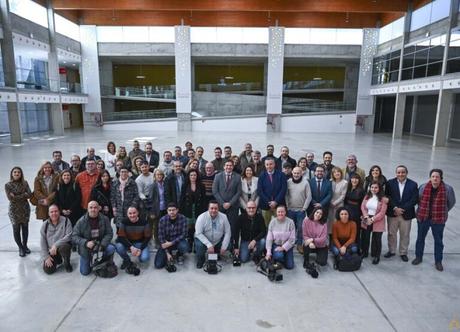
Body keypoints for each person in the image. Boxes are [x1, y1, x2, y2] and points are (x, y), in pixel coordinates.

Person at [413, 169, 456, 271]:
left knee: (438, 241)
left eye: (437, 177)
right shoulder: (423, 187)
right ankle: (418, 257)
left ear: (441, 178)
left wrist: (442, 211)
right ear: (430, 178)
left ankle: (438, 261)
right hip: (424, 218)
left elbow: (451, 202)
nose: (435, 178)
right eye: (433, 176)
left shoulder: (448, 189)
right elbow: (419, 200)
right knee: (420, 239)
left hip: (438, 219)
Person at [384, 165, 418, 262]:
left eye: (403, 172)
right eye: (398, 172)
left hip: (406, 214)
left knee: (405, 234)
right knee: (391, 233)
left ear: (406, 173)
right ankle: (391, 251)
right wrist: (395, 208)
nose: (401, 174)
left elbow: (414, 199)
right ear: (396, 173)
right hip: (393, 213)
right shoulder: (390, 183)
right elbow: (388, 197)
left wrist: (402, 209)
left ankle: (403, 252)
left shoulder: (413, 184)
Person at [72, 201, 116, 276]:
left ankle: (102, 261)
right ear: (87, 209)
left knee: (111, 248)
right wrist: (85, 243)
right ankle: (88, 259)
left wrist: (102, 244)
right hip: (86, 247)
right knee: (85, 272)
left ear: (99, 208)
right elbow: (74, 236)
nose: (93, 209)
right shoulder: (81, 221)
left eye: (95, 207)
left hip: (100, 244)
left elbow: (109, 233)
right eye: (91, 207)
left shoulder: (105, 219)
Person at [194, 200, 232, 269]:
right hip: (204, 241)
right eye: (211, 208)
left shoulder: (224, 217)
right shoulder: (201, 217)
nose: (214, 210)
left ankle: (217, 253)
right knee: (199, 246)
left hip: (217, 240)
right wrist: (209, 245)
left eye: (216, 208)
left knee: (228, 245)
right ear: (208, 208)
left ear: (218, 209)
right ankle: (201, 258)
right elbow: (198, 233)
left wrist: (224, 246)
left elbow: (228, 232)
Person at [5, 167, 32, 257]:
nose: (17, 174)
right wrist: (23, 195)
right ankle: (20, 247)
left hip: (25, 209)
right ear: (12, 174)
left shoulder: (25, 183)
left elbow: (29, 194)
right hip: (14, 210)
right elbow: (10, 198)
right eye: (15, 172)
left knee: (25, 228)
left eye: (18, 172)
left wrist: (16, 195)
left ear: (21, 174)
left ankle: (25, 245)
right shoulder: (8, 185)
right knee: (16, 229)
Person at [115, 207, 152, 271]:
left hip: (139, 243)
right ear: (127, 214)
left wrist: (140, 249)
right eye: (130, 213)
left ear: (138, 213)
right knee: (118, 246)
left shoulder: (144, 222)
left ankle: (139, 255)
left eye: (134, 213)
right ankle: (127, 260)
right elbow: (121, 237)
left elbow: (148, 237)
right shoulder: (124, 222)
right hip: (128, 243)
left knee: (144, 258)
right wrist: (131, 247)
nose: (132, 215)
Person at [154, 203, 189, 269]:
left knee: (185, 247)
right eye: (169, 210)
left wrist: (171, 243)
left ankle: (179, 254)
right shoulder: (162, 220)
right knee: (158, 265)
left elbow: (184, 234)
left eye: (173, 210)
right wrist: (167, 253)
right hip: (166, 243)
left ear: (177, 210)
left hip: (178, 242)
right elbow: (161, 237)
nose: (171, 212)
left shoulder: (183, 218)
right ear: (167, 211)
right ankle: (169, 253)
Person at [361, 182, 388, 264]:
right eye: (372, 187)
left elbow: (382, 212)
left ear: (379, 189)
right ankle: (364, 253)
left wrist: (372, 219)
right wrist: (366, 217)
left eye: (376, 187)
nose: (373, 189)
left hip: (377, 220)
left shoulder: (383, 199)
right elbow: (362, 207)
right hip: (367, 218)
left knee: (377, 239)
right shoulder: (367, 196)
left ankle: (376, 256)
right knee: (365, 237)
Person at [40, 205, 73, 274]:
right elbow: (42, 241)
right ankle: (58, 260)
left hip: (62, 247)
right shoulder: (45, 224)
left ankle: (67, 263)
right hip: (51, 251)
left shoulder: (66, 221)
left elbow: (69, 236)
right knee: (48, 270)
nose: (54, 213)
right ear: (48, 213)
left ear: (59, 212)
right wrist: (46, 256)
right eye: (51, 212)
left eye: (56, 211)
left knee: (65, 247)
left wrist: (55, 245)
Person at [286, 166, 311, 252]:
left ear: (301, 173)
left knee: (300, 228)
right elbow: (286, 195)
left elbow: (309, 196)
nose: (296, 175)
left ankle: (299, 244)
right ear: (292, 173)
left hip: (301, 210)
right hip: (290, 210)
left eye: (298, 173)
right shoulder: (288, 182)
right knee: (290, 229)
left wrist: (304, 208)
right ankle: (290, 243)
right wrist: (287, 206)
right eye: (295, 173)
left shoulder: (305, 183)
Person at [180, 169, 207, 249]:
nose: (193, 177)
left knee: (197, 228)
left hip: (198, 209)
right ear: (188, 176)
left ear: (197, 176)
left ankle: (196, 245)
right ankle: (190, 243)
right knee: (189, 229)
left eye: (194, 175)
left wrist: (204, 211)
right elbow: (182, 198)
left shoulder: (202, 186)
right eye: (191, 175)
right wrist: (181, 210)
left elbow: (204, 199)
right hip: (188, 210)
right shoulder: (185, 185)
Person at [257, 157, 287, 226]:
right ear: (265, 165)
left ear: (274, 164)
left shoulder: (281, 175)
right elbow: (260, 191)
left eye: (271, 164)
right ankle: (267, 236)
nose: (269, 166)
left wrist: (275, 201)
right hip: (265, 205)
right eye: (267, 164)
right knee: (265, 225)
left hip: (279, 205)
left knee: (280, 224)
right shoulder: (262, 175)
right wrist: (269, 202)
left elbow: (283, 189)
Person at [212, 160, 242, 228]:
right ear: (224, 167)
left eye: (230, 165)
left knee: (232, 226)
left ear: (233, 167)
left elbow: (238, 192)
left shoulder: (238, 177)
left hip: (233, 206)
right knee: (220, 226)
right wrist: (223, 203)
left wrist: (230, 203)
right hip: (220, 206)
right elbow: (215, 191)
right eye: (227, 165)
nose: (229, 167)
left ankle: (231, 239)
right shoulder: (217, 176)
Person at [265, 205, 296, 270]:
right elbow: (269, 239)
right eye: (279, 212)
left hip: (287, 245)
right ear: (276, 212)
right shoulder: (272, 222)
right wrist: (268, 252)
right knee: (279, 256)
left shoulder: (290, 222)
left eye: (282, 212)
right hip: (276, 244)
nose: (280, 213)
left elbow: (292, 239)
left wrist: (283, 248)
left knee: (290, 266)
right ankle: (278, 257)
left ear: (285, 212)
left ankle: (282, 256)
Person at [344, 174, 365, 250]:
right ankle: (346, 246)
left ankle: (356, 247)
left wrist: (362, 214)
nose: (354, 180)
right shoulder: (348, 188)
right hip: (347, 210)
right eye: (353, 178)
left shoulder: (361, 190)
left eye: (356, 179)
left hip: (356, 211)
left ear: (359, 181)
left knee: (356, 230)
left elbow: (363, 204)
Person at [327, 167, 348, 237]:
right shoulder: (330, 181)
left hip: (339, 206)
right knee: (330, 224)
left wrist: (334, 203)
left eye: (338, 172)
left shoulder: (345, 182)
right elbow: (328, 193)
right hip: (330, 206)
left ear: (341, 173)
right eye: (335, 172)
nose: (337, 173)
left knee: (337, 223)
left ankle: (336, 241)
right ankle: (330, 242)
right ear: (332, 174)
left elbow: (343, 196)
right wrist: (330, 202)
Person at [150, 169, 167, 246]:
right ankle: (157, 242)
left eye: (161, 174)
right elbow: (150, 200)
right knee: (157, 226)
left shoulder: (165, 184)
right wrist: (152, 212)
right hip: (157, 209)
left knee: (164, 225)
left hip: (165, 208)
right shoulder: (153, 186)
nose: (159, 176)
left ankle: (164, 240)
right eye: (157, 175)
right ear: (155, 176)